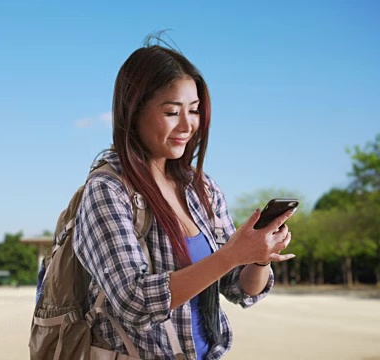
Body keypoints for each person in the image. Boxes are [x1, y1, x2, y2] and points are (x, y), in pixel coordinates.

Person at [72, 43, 296, 359]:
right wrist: (231, 255)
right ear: (133, 110)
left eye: (193, 111)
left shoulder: (201, 187)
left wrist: (259, 255)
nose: (187, 125)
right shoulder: (108, 189)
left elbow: (239, 289)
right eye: (171, 112)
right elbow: (133, 302)